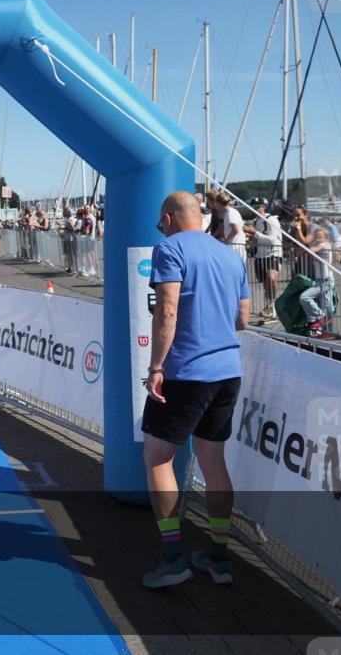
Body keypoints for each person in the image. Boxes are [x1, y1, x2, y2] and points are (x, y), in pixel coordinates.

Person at [141, 191, 250, 589]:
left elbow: (166, 310)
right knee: (213, 462)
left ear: (169, 218)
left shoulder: (169, 249)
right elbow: (243, 318)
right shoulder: (229, 255)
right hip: (227, 371)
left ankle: (173, 558)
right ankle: (219, 558)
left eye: (159, 221)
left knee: (157, 458)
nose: (159, 227)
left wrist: (156, 366)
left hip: (187, 372)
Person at [245, 198, 283, 320]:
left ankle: (273, 305)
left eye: (257, 206)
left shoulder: (271, 220)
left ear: (264, 207)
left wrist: (255, 233)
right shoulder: (256, 221)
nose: (254, 208)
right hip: (260, 256)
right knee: (266, 285)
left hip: (273, 254)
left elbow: (272, 239)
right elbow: (257, 239)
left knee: (271, 277)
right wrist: (250, 238)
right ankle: (270, 306)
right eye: (253, 206)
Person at [298, 227, 335, 339]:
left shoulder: (325, 245)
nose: (319, 238)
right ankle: (326, 333)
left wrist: (302, 251)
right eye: (317, 236)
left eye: (321, 236)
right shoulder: (318, 248)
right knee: (327, 307)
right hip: (320, 280)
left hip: (326, 281)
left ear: (326, 237)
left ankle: (320, 317)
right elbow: (312, 253)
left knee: (304, 297)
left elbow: (310, 250)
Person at [216, 193, 247, 260]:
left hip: (235, 247)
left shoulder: (230, 213)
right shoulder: (230, 212)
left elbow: (235, 230)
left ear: (218, 203)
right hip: (236, 247)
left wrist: (226, 239)